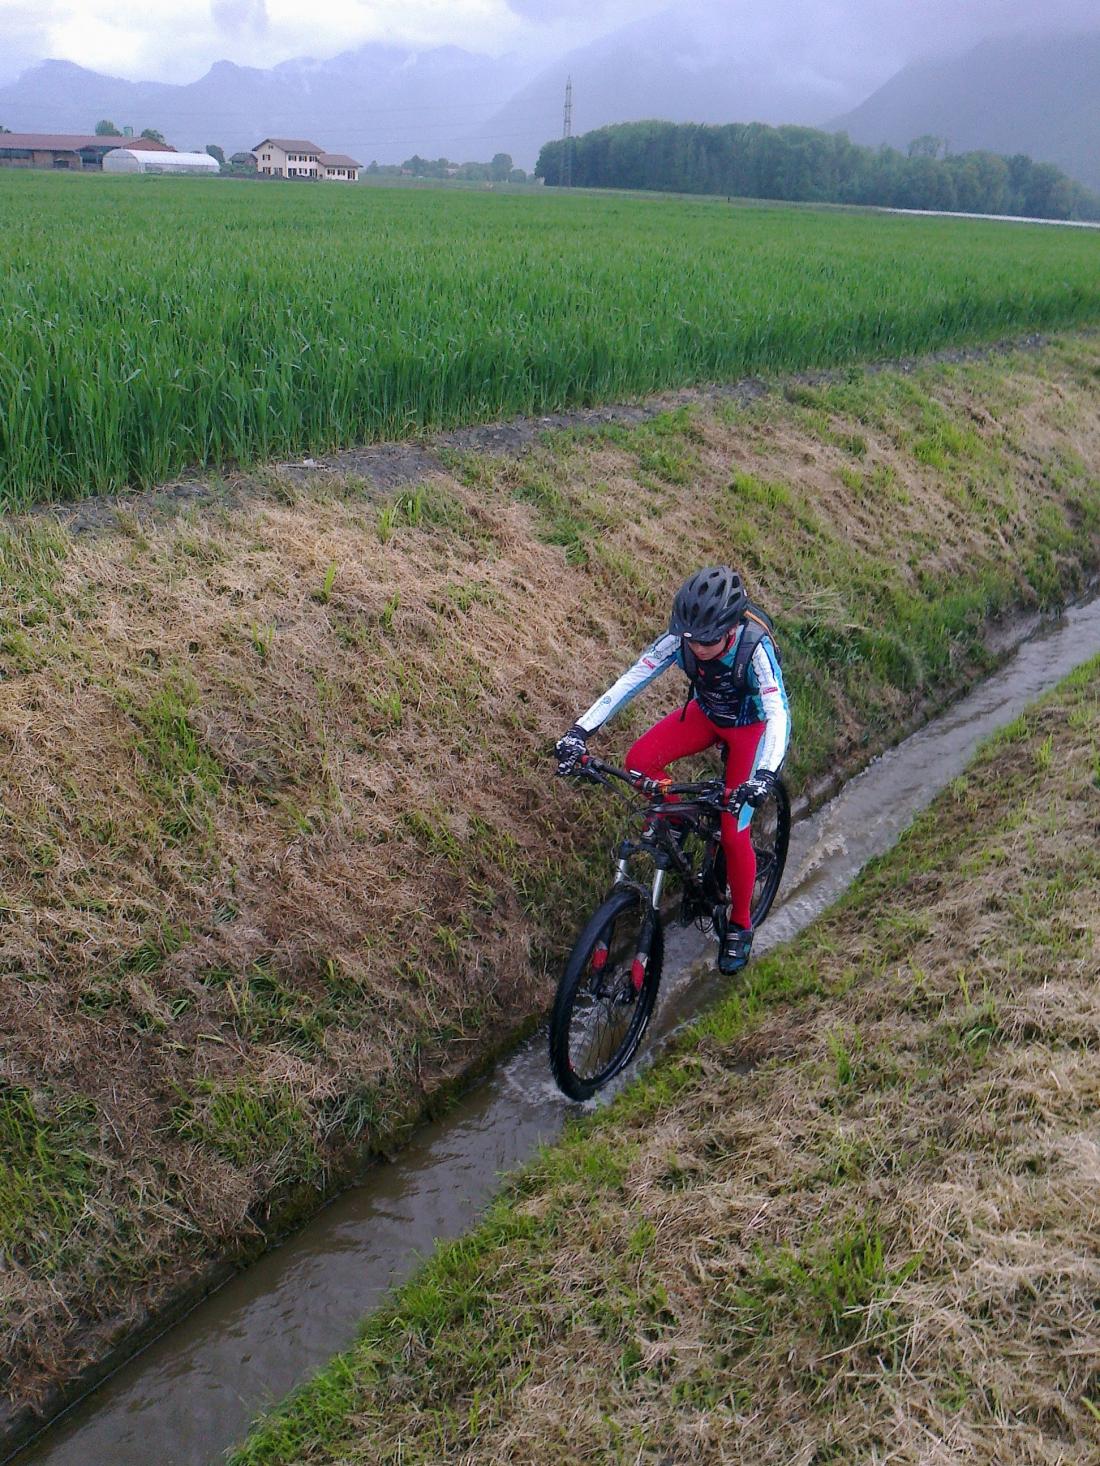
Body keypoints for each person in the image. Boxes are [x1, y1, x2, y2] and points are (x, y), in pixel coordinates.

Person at [555, 566, 790, 975]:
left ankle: (740, 923)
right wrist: (579, 731)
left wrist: (764, 776)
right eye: (691, 639)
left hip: (750, 731)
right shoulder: (681, 639)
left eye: (708, 641)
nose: (697, 648)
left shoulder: (754, 648)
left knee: (734, 832)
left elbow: (777, 712)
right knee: (638, 762)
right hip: (706, 714)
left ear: (731, 628)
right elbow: (633, 678)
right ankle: (679, 818)